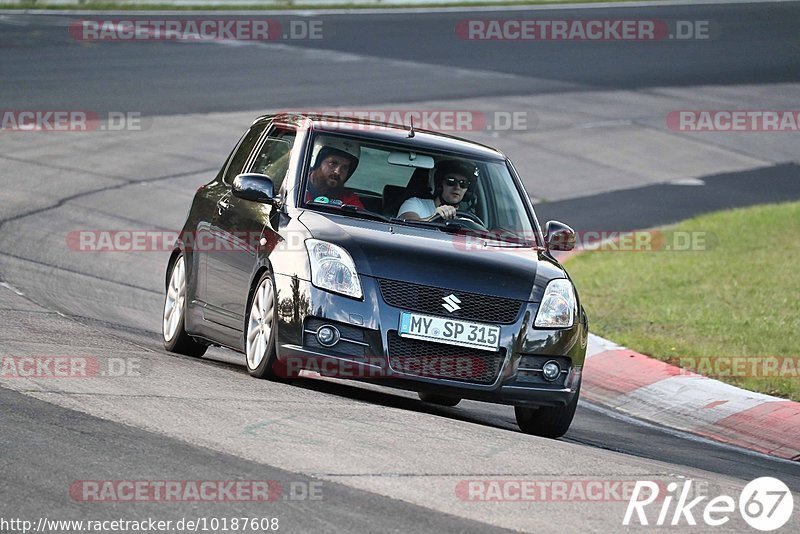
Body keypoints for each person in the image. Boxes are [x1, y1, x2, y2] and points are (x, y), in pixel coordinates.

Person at [397, 160, 475, 221]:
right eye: (451, 181)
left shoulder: (468, 220)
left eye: (463, 183)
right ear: (439, 185)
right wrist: (435, 218)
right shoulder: (415, 204)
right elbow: (408, 223)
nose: (457, 187)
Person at [304, 137, 364, 209]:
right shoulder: (296, 189)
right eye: (332, 163)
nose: (337, 171)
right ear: (317, 162)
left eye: (344, 167)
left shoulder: (349, 200)